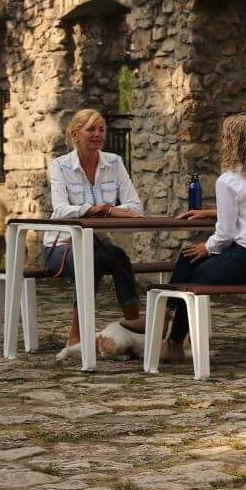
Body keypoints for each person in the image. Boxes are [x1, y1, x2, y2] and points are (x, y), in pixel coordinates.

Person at [165, 113, 246, 361]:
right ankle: (168, 329)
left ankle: (169, 331)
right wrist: (212, 213)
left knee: (196, 272)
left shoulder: (228, 181)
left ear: (233, 142)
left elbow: (226, 233)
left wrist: (208, 247)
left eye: (226, 137)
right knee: (189, 258)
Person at [44, 108, 144, 350]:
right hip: (60, 247)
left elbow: (135, 206)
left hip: (97, 244)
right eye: (91, 129)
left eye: (102, 129)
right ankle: (76, 334)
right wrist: (100, 209)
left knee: (119, 257)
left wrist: (108, 210)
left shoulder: (114, 162)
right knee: (90, 257)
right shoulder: (59, 166)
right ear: (76, 134)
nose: (98, 134)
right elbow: (60, 209)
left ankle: (136, 329)